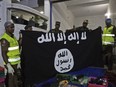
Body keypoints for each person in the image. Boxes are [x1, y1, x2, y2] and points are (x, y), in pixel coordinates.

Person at [0, 21, 21, 87]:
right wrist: (8, 66)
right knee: (11, 79)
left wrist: (19, 62)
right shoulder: (5, 38)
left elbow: (17, 48)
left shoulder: (13, 37)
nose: (13, 29)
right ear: (6, 28)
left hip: (16, 63)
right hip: (10, 63)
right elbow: (3, 53)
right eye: (11, 27)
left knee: (15, 79)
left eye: (13, 27)